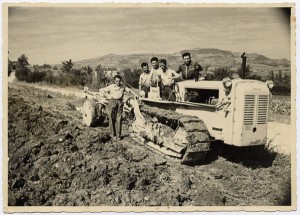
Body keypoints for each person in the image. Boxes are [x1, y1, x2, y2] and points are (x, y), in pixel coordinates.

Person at [102, 74, 134, 141]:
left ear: (121, 81)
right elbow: (102, 90)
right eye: (117, 81)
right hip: (113, 102)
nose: (118, 82)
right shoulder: (111, 86)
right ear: (114, 81)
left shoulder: (122, 86)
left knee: (119, 118)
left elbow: (129, 90)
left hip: (120, 103)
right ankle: (112, 134)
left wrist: (134, 94)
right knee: (111, 118)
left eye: (119, 81)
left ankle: (118, 135)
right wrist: (108, 96)